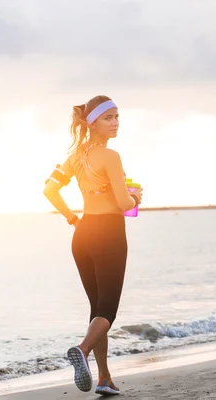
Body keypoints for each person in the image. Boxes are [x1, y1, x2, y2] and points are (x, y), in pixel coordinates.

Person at [43, 95, 143, 395]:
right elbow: (125, 203)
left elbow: (49, 189)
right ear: (93, 122)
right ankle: (81, 349)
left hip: (83, 234)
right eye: (108, 117)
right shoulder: (111, 157)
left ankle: (103, 378)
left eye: (116, 117)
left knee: (96, 310)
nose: (114, 123)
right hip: (109, 233)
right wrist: (134, 197)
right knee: (108, 311)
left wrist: (73, 219)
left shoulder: (75, 156)